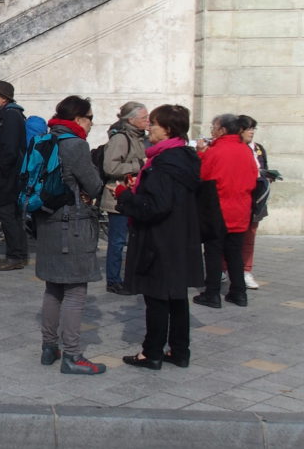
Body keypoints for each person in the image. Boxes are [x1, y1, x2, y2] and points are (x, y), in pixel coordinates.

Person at [116, 104, 203, 370]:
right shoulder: (185, 158)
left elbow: (155, 206)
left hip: (160, 240)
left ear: (166, 129)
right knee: (176, 297)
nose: (149, 128)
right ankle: (179, 350)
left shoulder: (164, 163)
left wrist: (126, 196)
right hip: (180, 238)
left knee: (156, 298)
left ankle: (151, 353)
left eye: (153, 123)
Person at [35, 96, 105, 375]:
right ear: (78, 119)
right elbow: (94, 184)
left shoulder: (44, 139)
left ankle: (49, 347)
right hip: (71, 225)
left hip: (46, 222)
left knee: (53, 287)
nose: (91, 124)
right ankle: (73, 355)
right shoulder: (75, 144)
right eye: (90, 118)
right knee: (76, 291)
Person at [193, 113, 258, 309]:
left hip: (219, 209)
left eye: (213, 127)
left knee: (213, 252)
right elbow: (254, 177)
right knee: (234, 253)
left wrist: (200, 153)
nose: (212, 130)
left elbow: (203, 175)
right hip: (241, 209)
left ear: (222, 130)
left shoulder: (216, 151)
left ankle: (212, 294)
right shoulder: (245, 150)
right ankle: (239, 293)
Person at [100, 102, 149, 294]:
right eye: (144, 117)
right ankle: (113, 280)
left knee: (133, 240)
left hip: (133, 197)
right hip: (117, 198)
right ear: (131, 119)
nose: (148, 121)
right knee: (117, 241)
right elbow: (110, 168)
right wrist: (138, 165)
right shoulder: (120, 138)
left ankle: (132, 276)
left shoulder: (139, 137)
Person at [0, 80, 29, 271]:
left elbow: (9, 149)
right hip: (6, 174)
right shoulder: (8, 115)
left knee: (8, 214)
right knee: (12, 215)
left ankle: (15, 256)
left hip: (7, 176)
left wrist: (0, 170)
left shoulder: (10, 116)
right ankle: (18, 254)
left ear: (4, 98)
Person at [237, 115, 274, 290]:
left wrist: (268, 176)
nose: (251, 132)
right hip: (237, 198)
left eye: (253, 128)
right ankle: (222, 269)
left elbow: (262, 167)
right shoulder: (234, 148)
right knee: (226, 235)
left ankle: (245, 271)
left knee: (249, 236)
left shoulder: (258, 149)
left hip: (256, 199)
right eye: (248, 128)